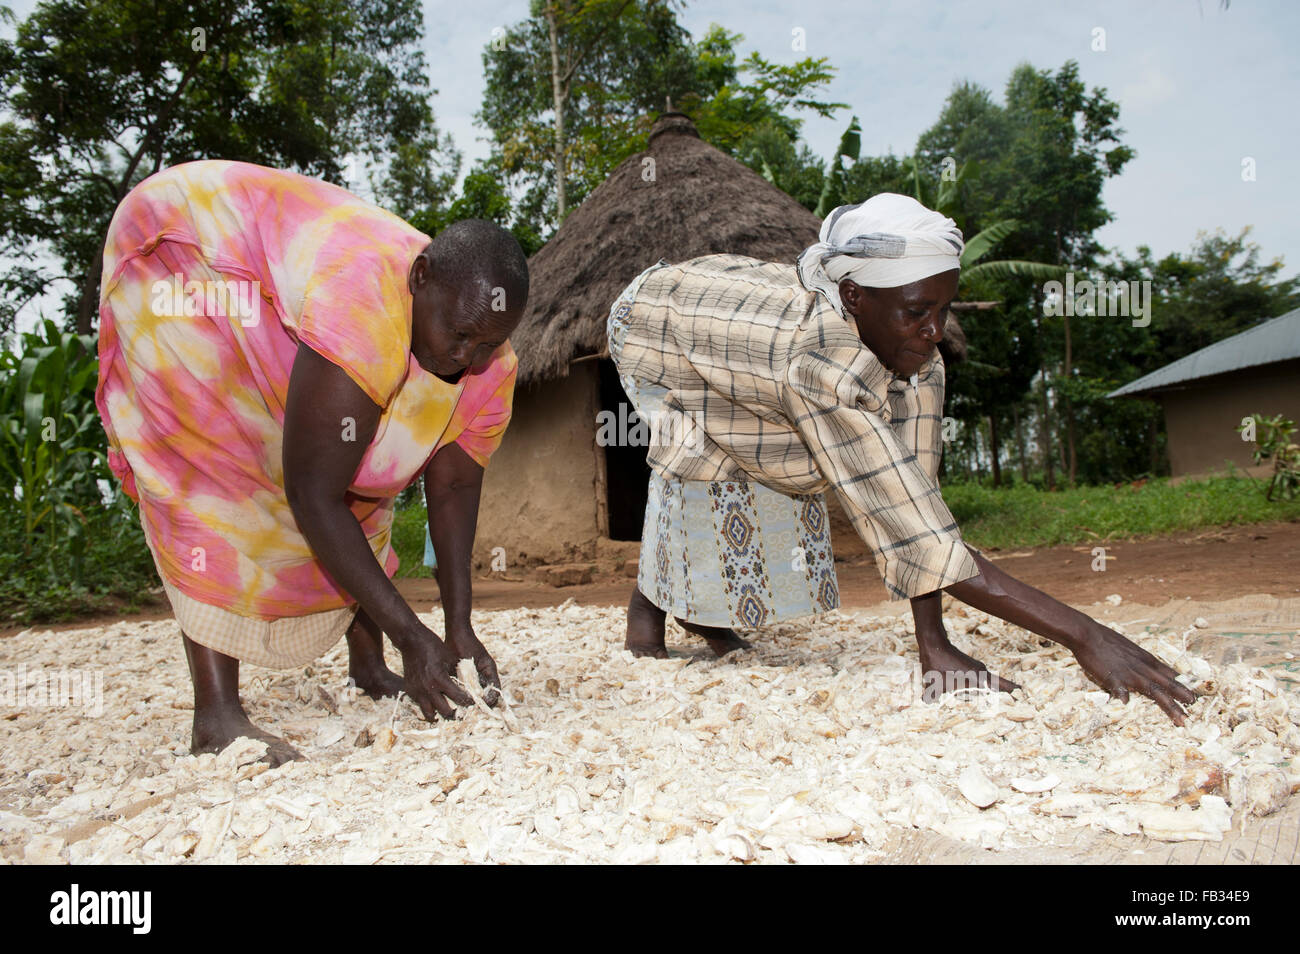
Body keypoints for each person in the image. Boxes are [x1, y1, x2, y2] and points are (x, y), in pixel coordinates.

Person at [608, 193, 1197, 725]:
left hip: (740, 333)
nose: (935, 330)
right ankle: (649, 614)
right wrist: (1086, 636)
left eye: (943, 310)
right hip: (656, 325)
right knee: (707, 461)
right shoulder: (819, 363)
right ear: (853, 297)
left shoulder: (919, 352)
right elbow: (909, 529)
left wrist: (934, 647)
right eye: (917, 311)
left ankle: (702, 611)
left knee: (790, 464)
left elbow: (917, 501)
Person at [95, 160, 528, 763]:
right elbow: (312, 494)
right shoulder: (365, 307)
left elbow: (452, 489)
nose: (467, 359)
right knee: (224, 468)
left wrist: (458, 627)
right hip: (187, 251)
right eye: (458, 335)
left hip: (279, 296)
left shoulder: (490, 368)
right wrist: (411, 633)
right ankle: (216, 714)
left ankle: (367, 665)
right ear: (420, 278)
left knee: (366, 469)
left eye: (488, 343)